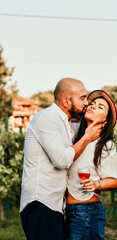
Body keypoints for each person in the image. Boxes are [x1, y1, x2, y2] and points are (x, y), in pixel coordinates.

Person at [20, 78, 101, 240]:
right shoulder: (46, 118)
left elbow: (94, 130)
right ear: (66, 101)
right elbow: (62, 160)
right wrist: (87, 137)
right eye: (82, 98)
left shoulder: (68, 125)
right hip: (40, 204)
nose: (87, 103)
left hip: (55, 205)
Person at [65, 90, 117, 240]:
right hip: (67, 210)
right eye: (92, 103)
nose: (93, 106)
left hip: (87, 212)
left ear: (106, 121)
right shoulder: (76, 138)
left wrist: (95, 184)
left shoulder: (105, 145)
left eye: (100, 107)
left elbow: (114, 181)